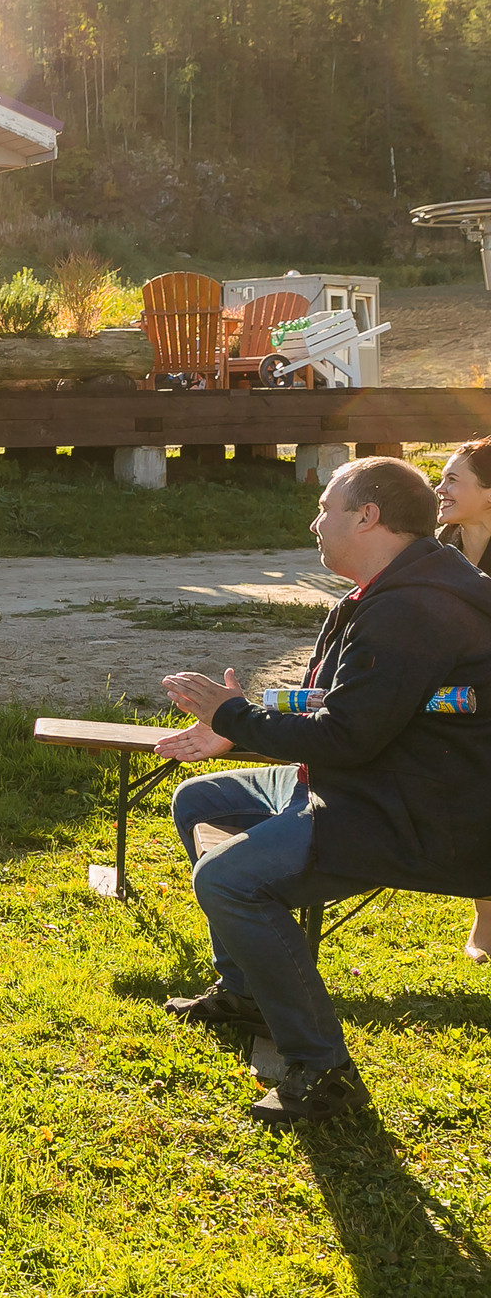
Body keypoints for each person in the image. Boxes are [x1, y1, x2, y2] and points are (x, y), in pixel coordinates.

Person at [156, 456, 491, 1123]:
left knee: (229, 878)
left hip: (410, 804)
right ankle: (249, 988)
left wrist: (235, 717)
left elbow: (347, 736)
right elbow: (344, 705)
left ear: (367, 516)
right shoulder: (394, 588)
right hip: (372, 774)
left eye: (327, 507)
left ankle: (324, 1071)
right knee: (199, 801)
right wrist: (238, 722)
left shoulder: (414, 607)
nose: (315, 521)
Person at [434, 437, 491, 963]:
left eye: (454, 479)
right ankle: (486, 909)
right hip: (455, 693)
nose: (440, 488)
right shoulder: (437, 548)